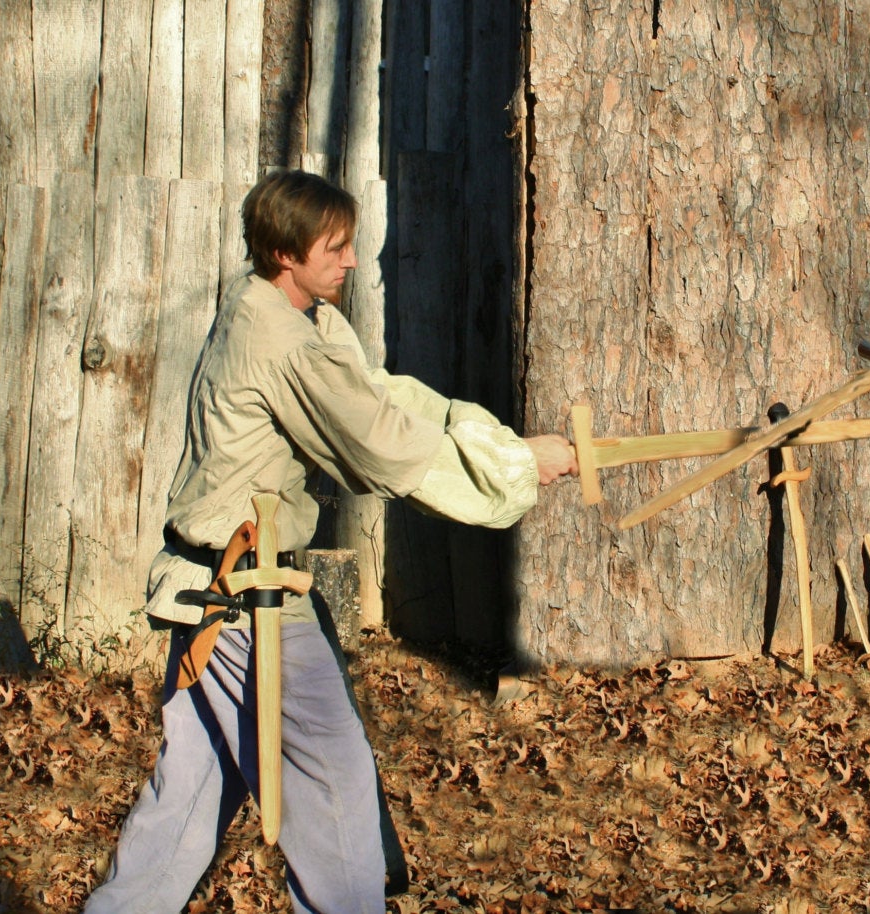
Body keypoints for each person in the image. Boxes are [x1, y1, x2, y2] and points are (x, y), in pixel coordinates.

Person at [84, 169, 576, 914]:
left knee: (192, 787)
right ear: (287, 253)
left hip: (211, 588)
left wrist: (496, 440)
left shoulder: (279, 307)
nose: (351, 260)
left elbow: (373, 392)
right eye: (335, 247)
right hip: (245, 599)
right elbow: (377, 442)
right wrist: (513, 469)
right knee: (334, 782)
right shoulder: (279, 340)